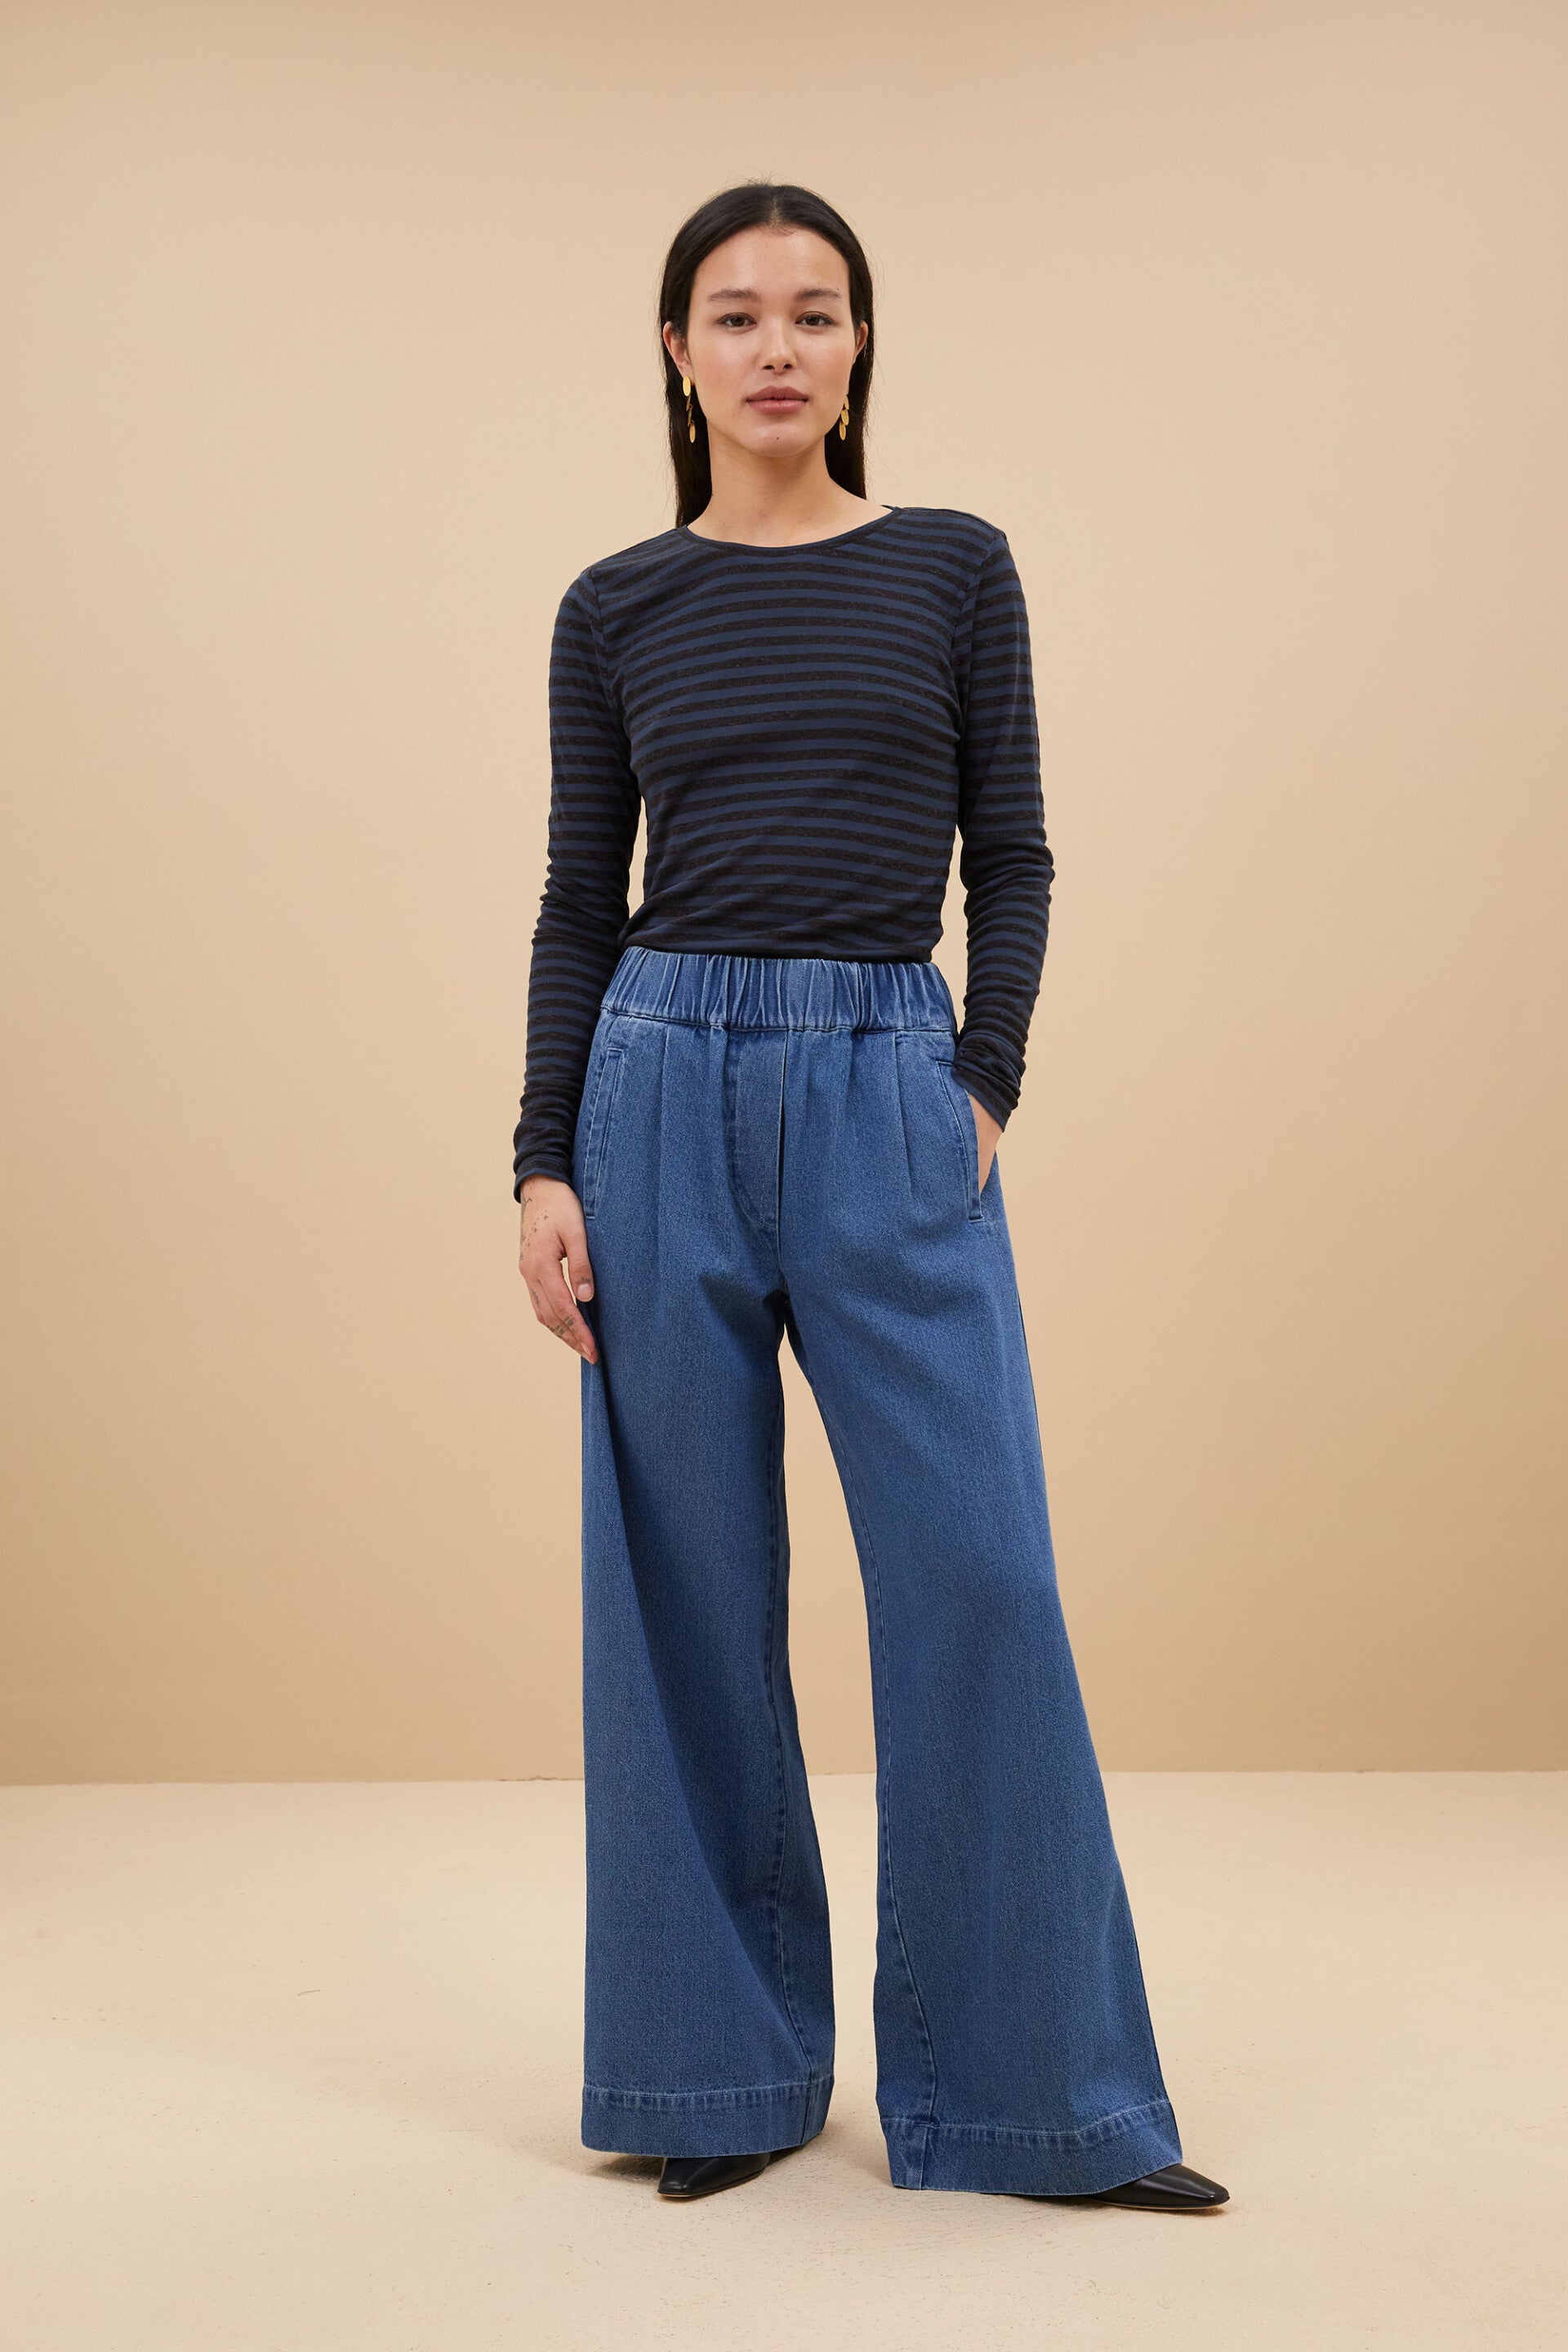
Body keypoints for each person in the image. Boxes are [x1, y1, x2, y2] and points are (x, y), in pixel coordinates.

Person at [512, 180, 1228, 2216]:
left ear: (857, 348)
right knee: (682, 1592)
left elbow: (1018, 853)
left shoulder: (953, 568)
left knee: (979, 1571)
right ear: (677, 354)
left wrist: (981, 1078)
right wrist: (543, 1157)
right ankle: (714, 2078)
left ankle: (1038, 2099)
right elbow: (578, 900)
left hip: (883, 1084)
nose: (777, 347)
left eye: (815, 312)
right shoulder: (615, 605)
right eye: (736, 314)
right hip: (658, 1082)